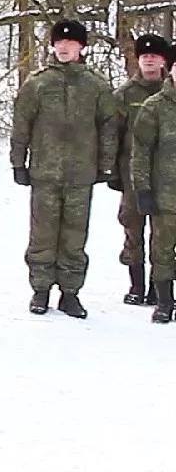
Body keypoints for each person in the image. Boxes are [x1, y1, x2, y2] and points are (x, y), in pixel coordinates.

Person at [11, 19, 116, 318]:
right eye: (59, 42)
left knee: (74, 236)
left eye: (70, 43)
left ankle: (70, 293)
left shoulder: (95, 85)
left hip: (81, 174)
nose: (64, 47)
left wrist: (106, 165)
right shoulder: (38, 83)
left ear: (81, 47)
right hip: (44, 173)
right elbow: (22, 125)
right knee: (42, 234)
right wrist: (18, 163)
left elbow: (109, 126)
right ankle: (40, 290)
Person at [111, 34, 169, 306]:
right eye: (144, 56)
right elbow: (113, 135)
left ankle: (160, 286)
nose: (149, 60)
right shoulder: (124, 94)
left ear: (164, 61)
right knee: (133, 229)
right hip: (131, 173)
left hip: (168, 177)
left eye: (155, 56)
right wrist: (112, 171)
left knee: (164, 233)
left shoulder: (169, 93)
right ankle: (136, 284)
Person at [129, 48, 176, 324]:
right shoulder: (155, 107)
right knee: (162, 250)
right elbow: (141, 152)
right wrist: (143, 189)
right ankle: (164, 302)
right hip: (165, 195)